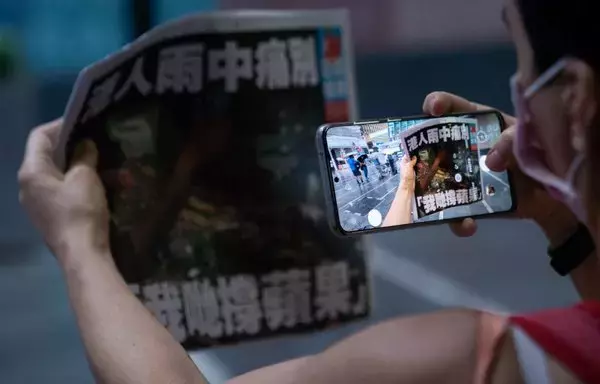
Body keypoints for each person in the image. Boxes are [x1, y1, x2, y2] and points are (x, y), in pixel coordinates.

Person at [18, 0, 600, 382]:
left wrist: (80, 245)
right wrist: (564, 219)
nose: (518, 87)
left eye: (519, 58)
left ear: (574, 97)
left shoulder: (463, 359)